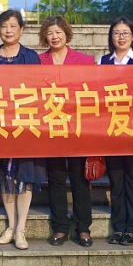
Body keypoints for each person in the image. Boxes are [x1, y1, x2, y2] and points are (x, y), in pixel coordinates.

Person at [0, 9, 41, 250]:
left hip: (25, 123)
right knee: (5, 176)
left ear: (22, 29)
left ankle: (21, 229)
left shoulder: (31, 57)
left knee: (24, 176)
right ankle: (10, 225)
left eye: (13, 26)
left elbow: (40, 88)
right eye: (4, 26)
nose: (8, 30)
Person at [39, 15, 96, 247]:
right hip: (50, 127)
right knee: (55, 178)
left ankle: (83, 228)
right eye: (50, 33)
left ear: (66, 34)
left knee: (79, 180)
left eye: (58, 32)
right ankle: (60, 227)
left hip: (77, 128)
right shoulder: (38, 61)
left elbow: (92, 91)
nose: (54, 36)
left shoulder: (84, 60)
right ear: (45, 36)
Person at [98, 17, 133, 246]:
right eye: (116, 33)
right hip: (111, 129)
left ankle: (132, 228)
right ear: (111, 37)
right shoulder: (102, 61)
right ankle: (118, 227)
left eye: (125, 33)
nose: (120, 37)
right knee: (116, 181)